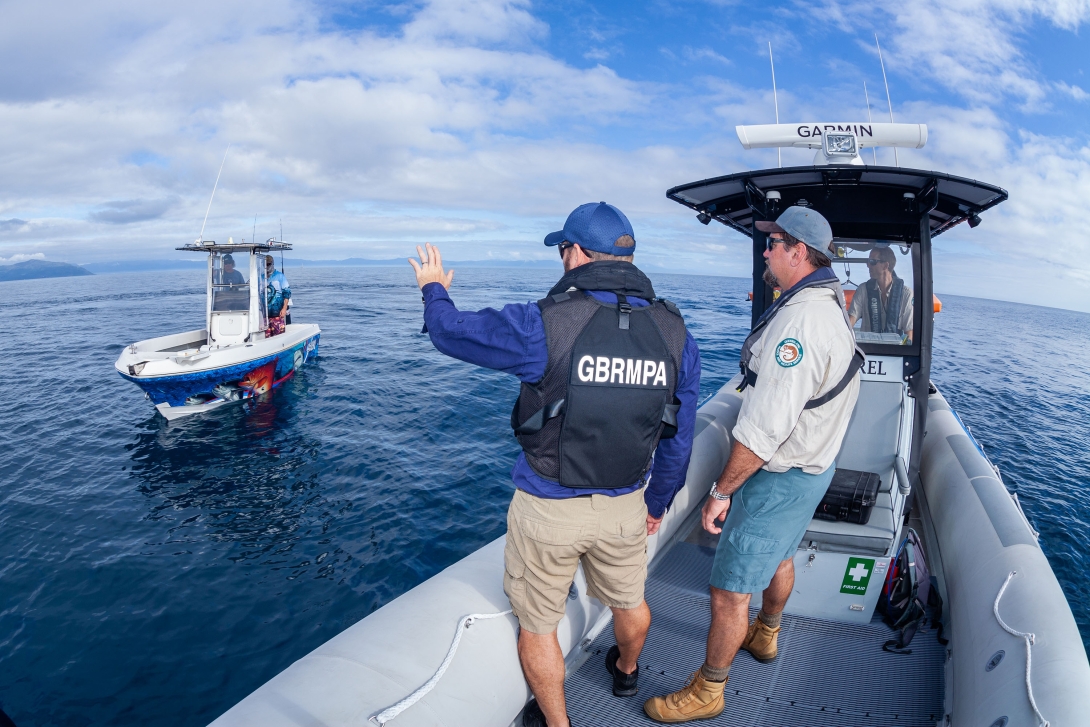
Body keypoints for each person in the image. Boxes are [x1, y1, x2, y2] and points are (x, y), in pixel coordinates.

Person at [409, 202, 700, 727]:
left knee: (538, 626)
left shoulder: (543, 323)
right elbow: (679, 436)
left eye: (563, 248)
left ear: (575, 254)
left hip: (548, 507)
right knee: (630, 602)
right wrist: (656, 502)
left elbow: (448, 331)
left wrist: (433, 286)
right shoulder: (677, 333)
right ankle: (627, 670)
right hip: (626, 505)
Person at [643, 206, 861, 724]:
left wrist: (720, 493)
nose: (766, 250)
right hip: (812, 471)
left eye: (774, 242)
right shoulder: (826, 305)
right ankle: (766, 636)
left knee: (727, 591)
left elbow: (764, 429)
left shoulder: (802, 321)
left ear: (799, 252)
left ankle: (708, 691)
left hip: (780, 478)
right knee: (782, 557)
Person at [847, 245, 913, 340]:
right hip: (867, 351)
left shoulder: (906, 295)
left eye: (872, 262)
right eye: (868, 261)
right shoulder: (863, 290)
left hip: (894, 352)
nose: (868, 265)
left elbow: (909, 334)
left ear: (886, 266)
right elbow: (850, 322)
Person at [265, 255, 291, 334]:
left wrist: (284, 309)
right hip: (264, 317)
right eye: (264, 264)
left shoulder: (280, 276)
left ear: (272, 264)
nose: (266, 266)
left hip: (277, 315)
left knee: (279, 336)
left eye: (268, 264)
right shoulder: (260, 276)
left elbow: (287, 293)